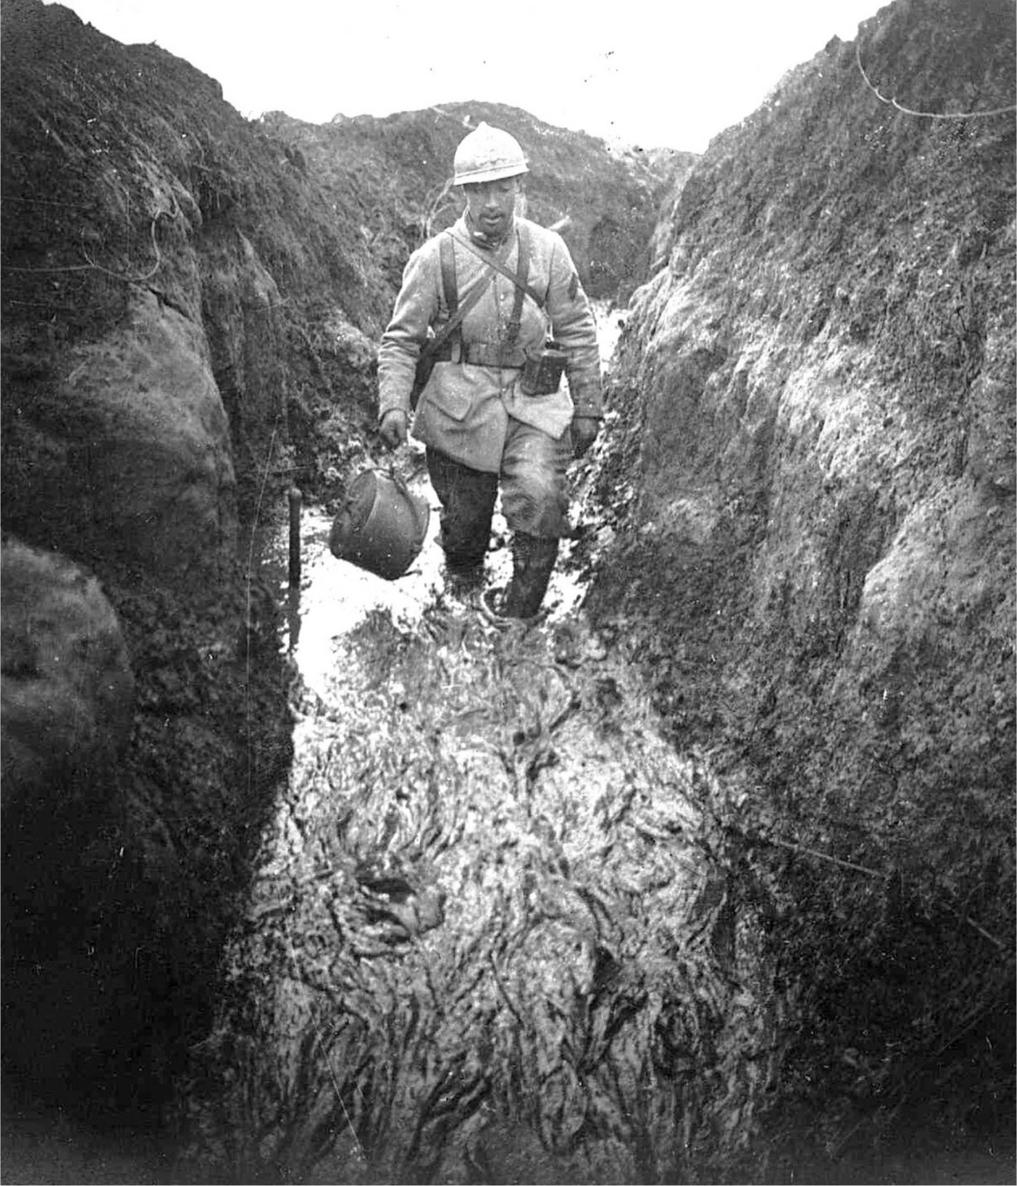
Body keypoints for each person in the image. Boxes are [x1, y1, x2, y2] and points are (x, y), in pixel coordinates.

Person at [377, 122, 603, 619]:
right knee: (465, 533)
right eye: (481, 190)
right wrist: (393, 403)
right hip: (458, 409)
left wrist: (588, 408)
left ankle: (519, 621)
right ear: (464, 193)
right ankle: (462, 609)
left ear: (519, 188)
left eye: (504, 187)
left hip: (533, 404)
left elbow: (578, 330)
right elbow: (401, 339)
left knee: (542, 498)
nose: (493, 203)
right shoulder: (434, 258)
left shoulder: (548, 251)